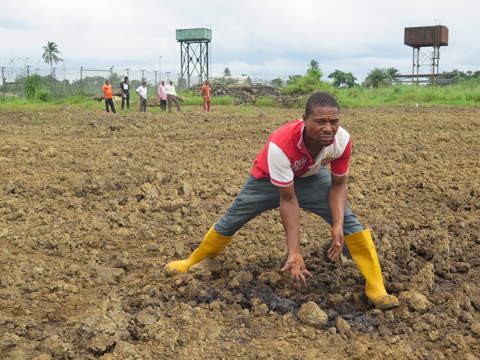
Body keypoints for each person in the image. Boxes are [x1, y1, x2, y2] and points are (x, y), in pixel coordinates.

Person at [165, 91, 399, 311]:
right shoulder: (281, 144)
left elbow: (338, 184)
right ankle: (193, 261)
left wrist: (337, 223)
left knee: (349, 223)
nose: (328, 128)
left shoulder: (342, 140)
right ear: (305, 119)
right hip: (266, 180)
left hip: (310, 177)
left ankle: (376, 287)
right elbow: (288, 199)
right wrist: (294, 252)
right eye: (320, 122)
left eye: (334, 121)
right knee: (232, 220)